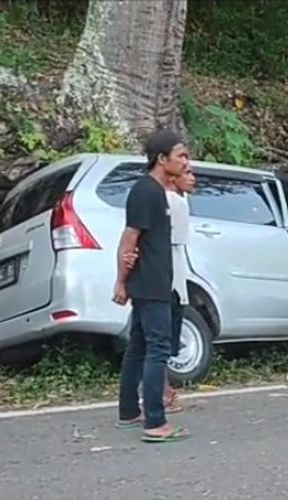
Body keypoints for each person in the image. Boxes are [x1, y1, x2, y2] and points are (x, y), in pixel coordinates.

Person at [113, 129, 190, 443]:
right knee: (157, 349)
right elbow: (129, 239)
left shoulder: (155, 191)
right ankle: (155, 422)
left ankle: (129, 411)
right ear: (161, 159)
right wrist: (120, 280)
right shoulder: (148, 191)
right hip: (153, 281)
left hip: (153, 279)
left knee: (138, 347)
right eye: (181, 155)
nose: (186, 162)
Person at [162, 163, 196, 412]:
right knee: (162, 341)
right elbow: (178, 243)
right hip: (171, 278)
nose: (192, 179)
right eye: (187, 174)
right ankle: (162, 392)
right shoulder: (176, 202)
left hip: (163, 277)